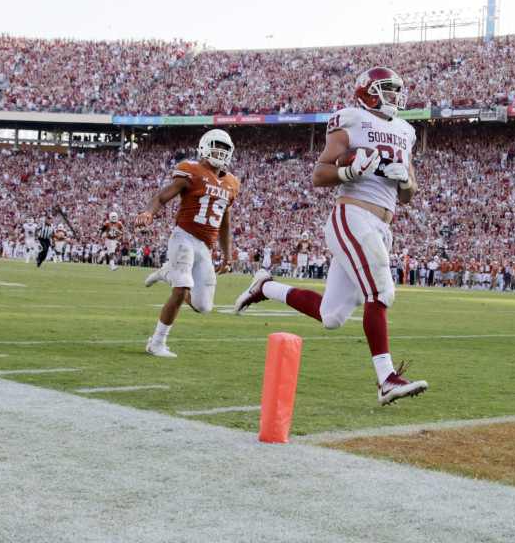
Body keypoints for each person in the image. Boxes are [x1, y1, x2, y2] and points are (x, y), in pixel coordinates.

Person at [233, 66, 427, 406]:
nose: (395, 95)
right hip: (352, 215)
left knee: (331, 316)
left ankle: (265, 286)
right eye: (387, 88)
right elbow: (320, 174)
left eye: (397, 89)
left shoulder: (406, 131)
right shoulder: (351, 119)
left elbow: (409, 195)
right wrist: (349, 170)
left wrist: (406, 182)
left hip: (382, 224)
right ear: (368, 91)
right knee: (380, 291)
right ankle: (386, 379)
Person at [137, 129, 240, 358]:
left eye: (225, 148)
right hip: (183, 236)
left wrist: (227, 256)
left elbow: (225, 223)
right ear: (204, 146)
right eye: (217, 146)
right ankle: (157, 342)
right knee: (182, 287)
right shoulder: (191, 170)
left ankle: (167, 273)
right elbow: (162, 196)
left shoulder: (232, 183)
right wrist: (148, 212)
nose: (220, 152)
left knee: (203, 306)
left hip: (205, 247)